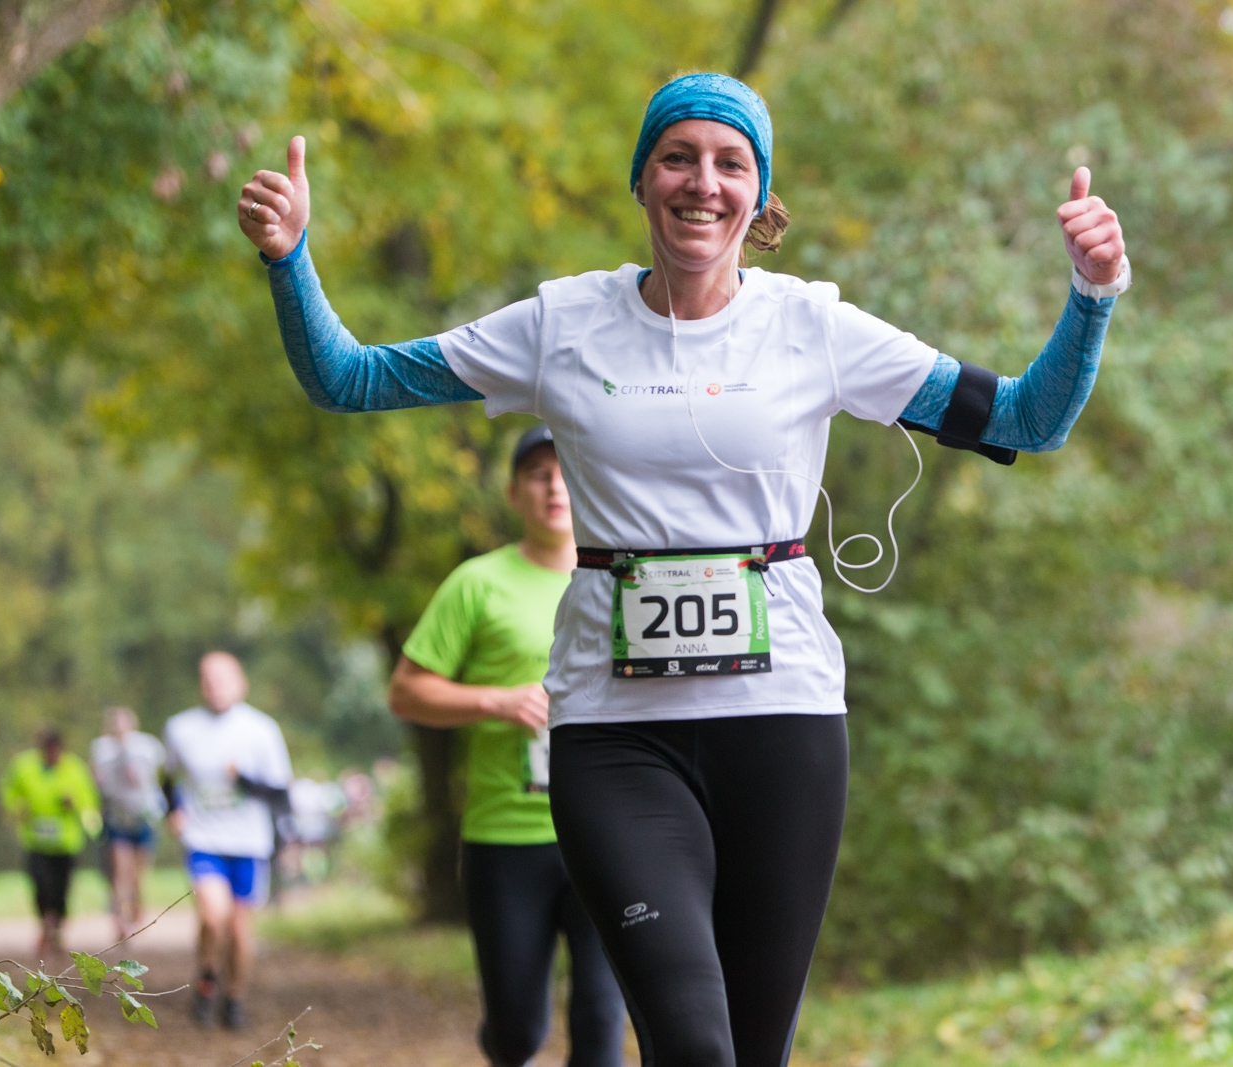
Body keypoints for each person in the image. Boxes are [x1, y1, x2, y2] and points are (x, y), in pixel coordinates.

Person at [238, 71, 1127, 1067]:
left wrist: (1092, 293)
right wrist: (290, 257)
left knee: (751, 1051)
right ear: (641, 179)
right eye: (678, 157)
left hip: (783, 725)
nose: (703, 182)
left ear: (759, 193)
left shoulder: (813, 327)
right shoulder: (560, 324)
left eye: (730, 163)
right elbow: (349, 378)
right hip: (616, 735)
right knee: (695, 1043)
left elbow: (1026, 419)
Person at [389, 424, 627, 1067]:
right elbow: (406, 692)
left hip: (610, 828)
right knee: (518, 1032)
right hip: (507, 836)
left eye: (566, 472)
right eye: (538, 475)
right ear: (514, 492)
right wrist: (497, 701)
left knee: (602, 1021)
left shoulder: (626, 575)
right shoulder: (478, 582)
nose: (555, 487)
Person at [164, 651, 293, 1030]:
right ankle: (207, 978)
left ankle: (234, 999)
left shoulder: (262, 729)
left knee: (238, 929)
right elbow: (166, 776)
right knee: (212, 916)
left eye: (223, 678)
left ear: (241, 684)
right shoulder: (180, 728)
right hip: (203, 838)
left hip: (249, 843)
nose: (215, 686)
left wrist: (243, 780)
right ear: (200, 684)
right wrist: (173, 809)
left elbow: (281, 792)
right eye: (208, 678)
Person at [0, 729, 101, 958]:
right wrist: (17, 808)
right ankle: (46, 926)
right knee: (41, 887)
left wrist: (74, 803)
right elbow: (8, 790)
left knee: (62, 890)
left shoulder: (75, 769)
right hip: (36, 842)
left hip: (66, 843)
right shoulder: (24, 767)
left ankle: (57, 929)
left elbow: (90, 801)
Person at [90, 706, 167, 942]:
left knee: (138, 874)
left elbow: (159, 777)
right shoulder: (101, 748)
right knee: (119, 871)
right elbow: (97, 780)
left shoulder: (148, 746)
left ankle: (136, 909)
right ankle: (120, 920)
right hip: (117, 818)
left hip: (144, 816)